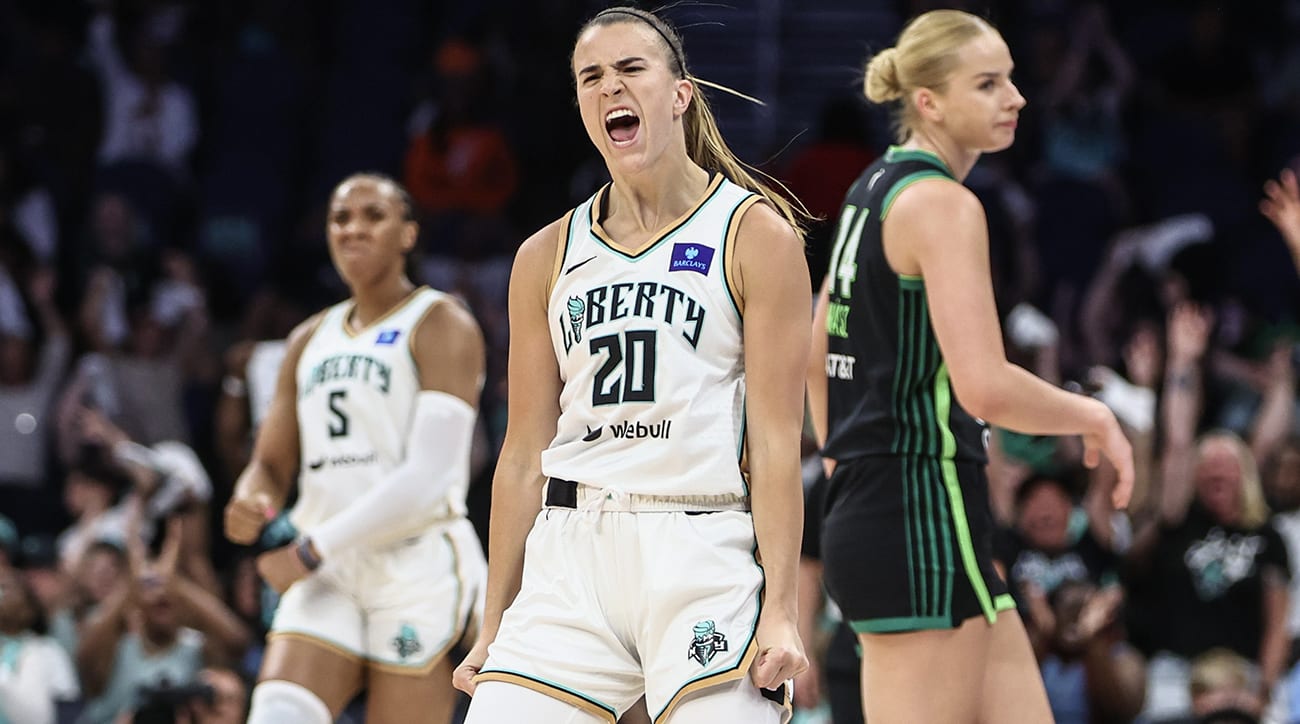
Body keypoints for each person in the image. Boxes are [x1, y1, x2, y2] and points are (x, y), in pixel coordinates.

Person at [452, 6, 811, 723]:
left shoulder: (753, 233)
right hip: (571, 552)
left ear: (679, 94)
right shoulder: (545, 255)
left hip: (702, 546)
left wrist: (783, 609)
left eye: (630, 69)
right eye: (591, 77)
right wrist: (493, 622)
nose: (610, 87)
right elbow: (523, 454)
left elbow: (774, 444)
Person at [806, 10, 1134, 723]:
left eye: (1011, 79)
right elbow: (984, 385)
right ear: (929, 102)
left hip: (912, 510)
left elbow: (815, 343)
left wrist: (844, 462)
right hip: (917, 508)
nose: (1015, 97)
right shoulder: (943, 205)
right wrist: (1094, 414)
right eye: (988, 84)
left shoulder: (871, 193)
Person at [223, 172, 488, 724]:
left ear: (409, 234)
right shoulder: (307, 339)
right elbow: (271, 463)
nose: (353, 229)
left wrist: (308, 549)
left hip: (414, 565)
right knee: (276, 713)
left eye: (374, 216)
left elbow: (430, 479)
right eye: (340, 218)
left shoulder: (441, 321)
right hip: (329, 570)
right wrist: (253, 498)